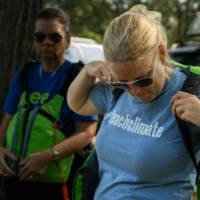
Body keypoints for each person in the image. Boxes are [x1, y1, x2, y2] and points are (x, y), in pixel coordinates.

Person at [67, 4, 200, 200]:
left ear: (162, 54)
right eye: (123, 83)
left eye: (143, 79)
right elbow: (77, 104)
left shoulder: (192, 93)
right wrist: (87, 73)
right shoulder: (116, 91)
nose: (134, 91)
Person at [0, 7, 97, 200]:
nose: (46, 42)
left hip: (55, 183)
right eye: (40, 36)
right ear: (33, 40)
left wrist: (46, 157)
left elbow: (87, 133)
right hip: (13, 178)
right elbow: (6, 122)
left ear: (67, 41)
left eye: (55, 37)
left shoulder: (77, 78)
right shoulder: (23, 76)